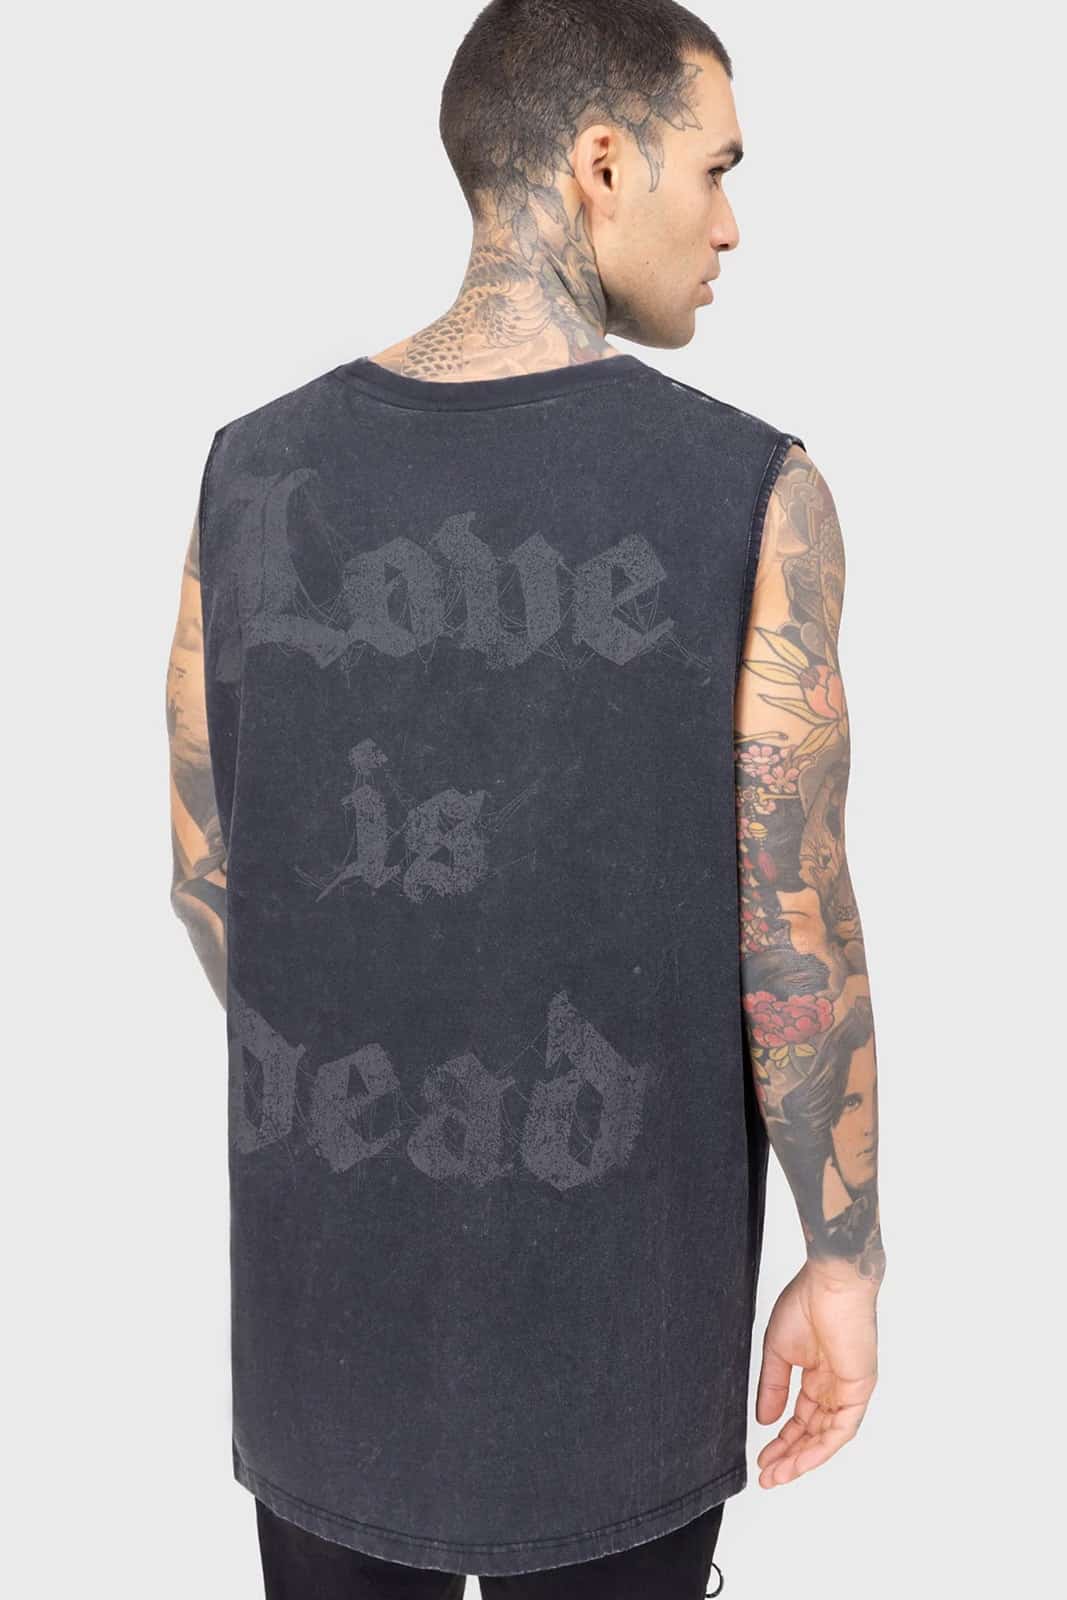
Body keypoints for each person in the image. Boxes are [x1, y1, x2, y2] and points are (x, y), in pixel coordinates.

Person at [166, 2, 885, 1594]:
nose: (730, 224)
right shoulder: (753, 494)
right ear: (603, 163)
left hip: (325, 1314)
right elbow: (793, 928)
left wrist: (393, 1050)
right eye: (717, 168)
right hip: (620, 1339)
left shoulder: (250, 474)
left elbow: (212, 874)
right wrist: (843, 1258)